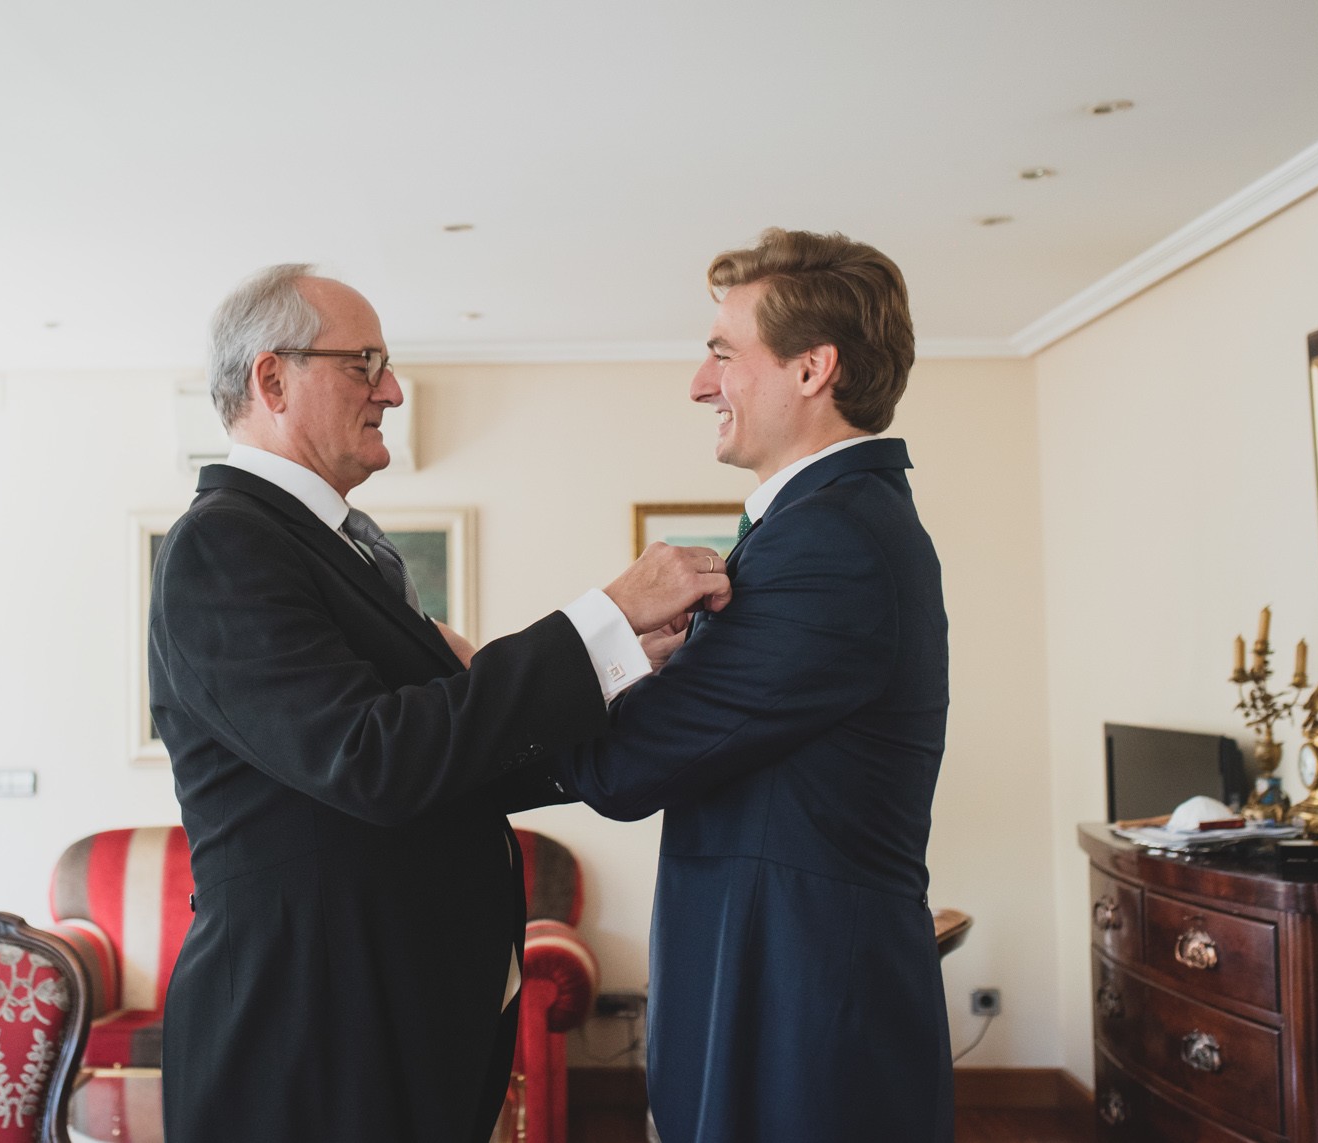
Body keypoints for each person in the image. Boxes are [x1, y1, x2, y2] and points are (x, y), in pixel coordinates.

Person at [149, 264, 729, 1143]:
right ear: (273, 379)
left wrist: (617, 670)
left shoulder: (332, 550)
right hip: (309, 1043)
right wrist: (600, 621)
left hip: (387, 1028)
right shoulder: (225, 543)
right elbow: (374, 758)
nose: (393, 389)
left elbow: (447, 756)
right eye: (365, 362)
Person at [550, 229, 954, 1142]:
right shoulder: (818, 526)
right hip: (777, 996)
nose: (701, 382)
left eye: (724, 353)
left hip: (802, 1024)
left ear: (813, 368)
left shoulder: (831, 542)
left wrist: (543, 662)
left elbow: (624, 770)